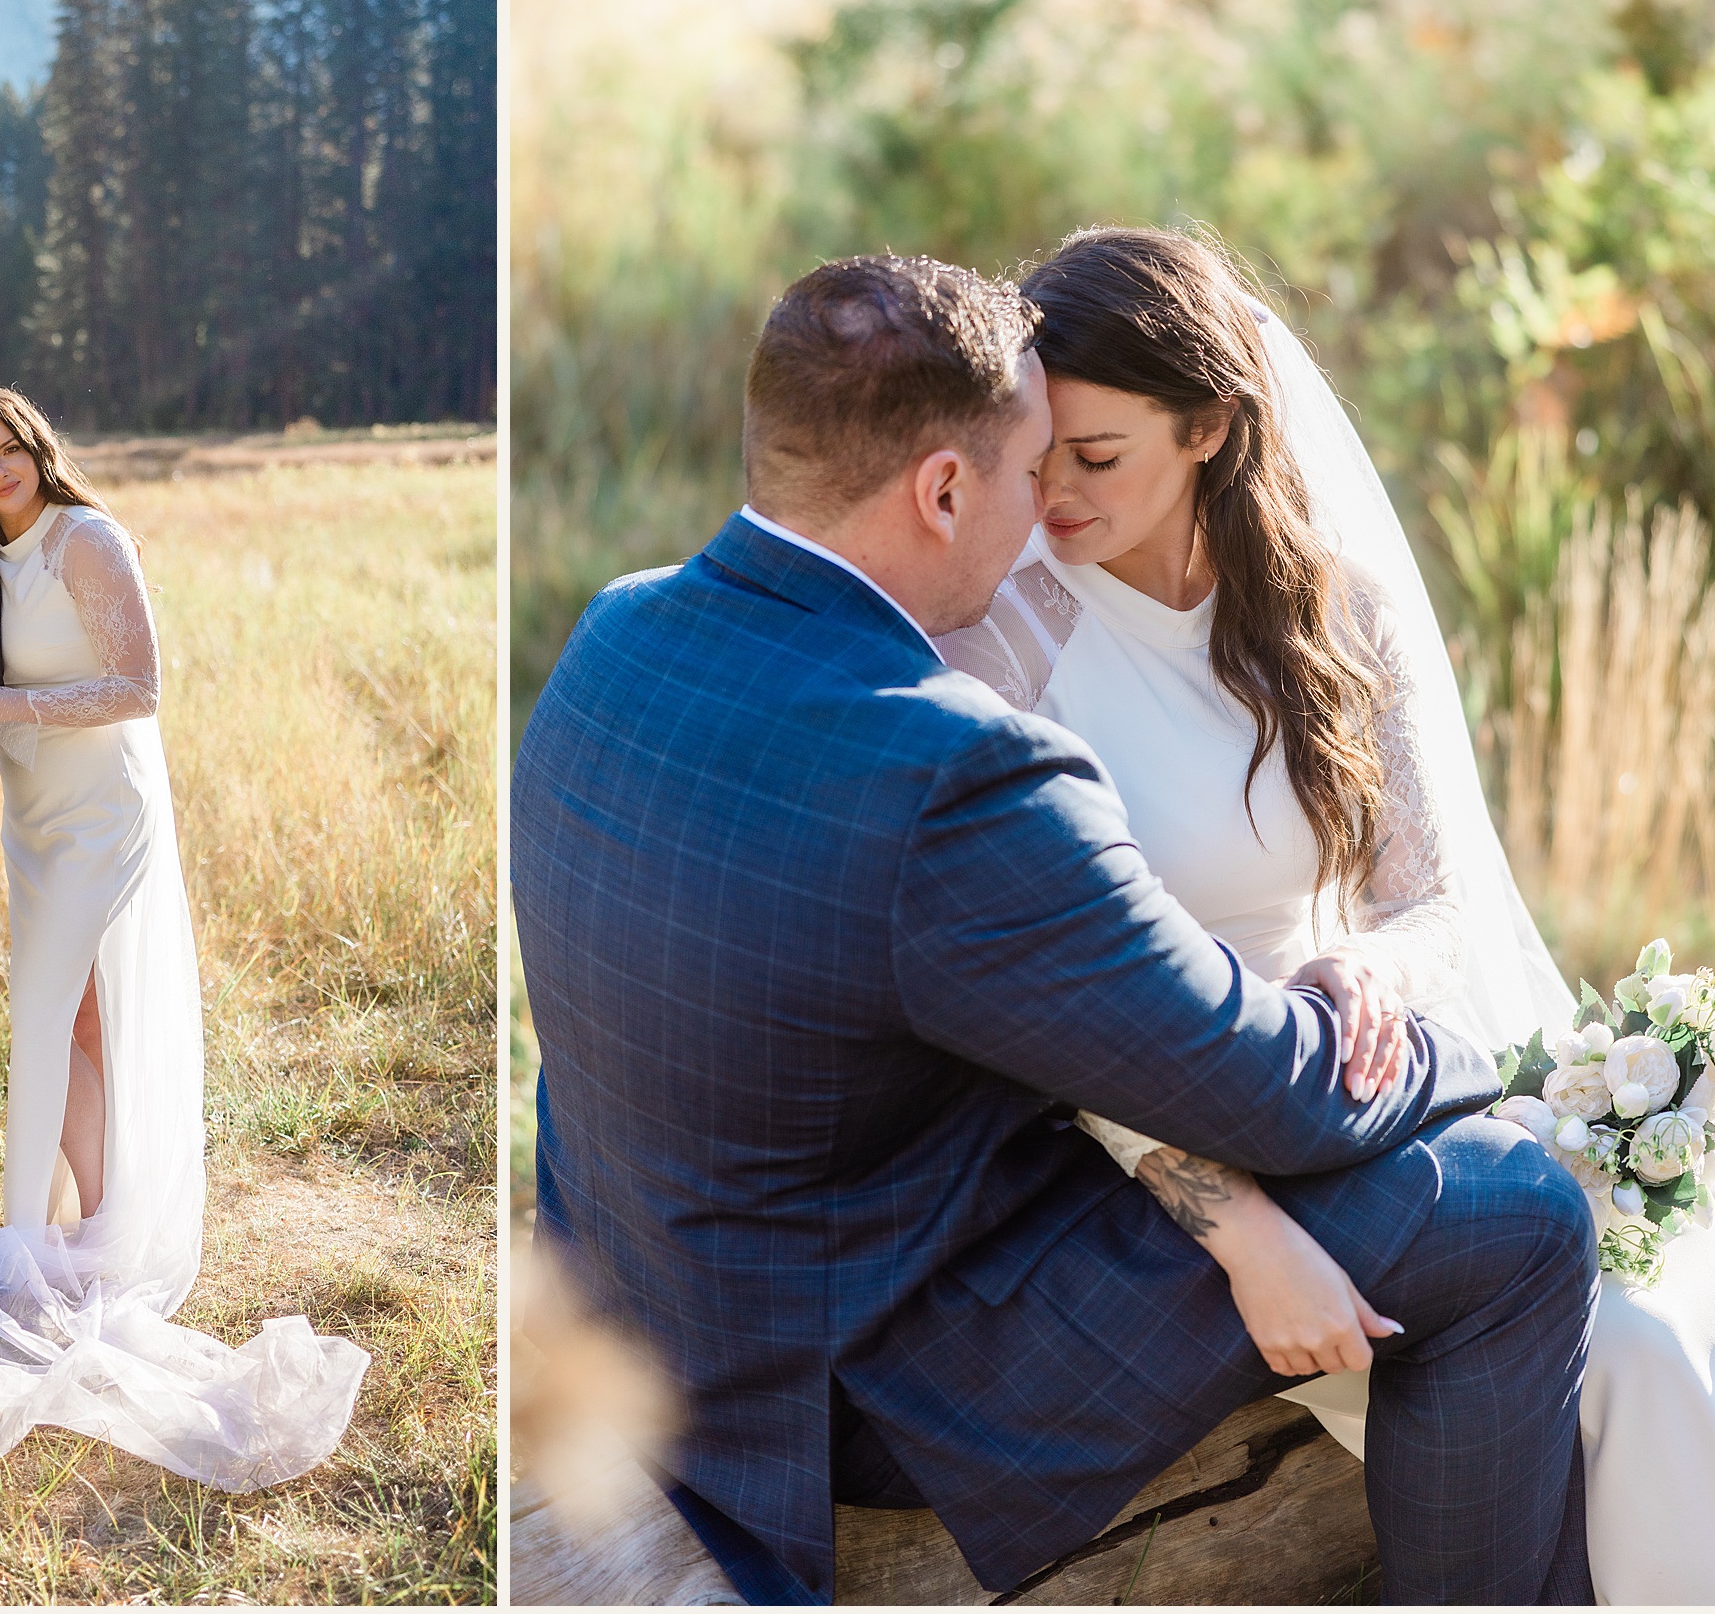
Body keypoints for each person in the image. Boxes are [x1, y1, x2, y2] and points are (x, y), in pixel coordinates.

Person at [512, 252, 1599, 1605]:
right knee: (1520, 1212)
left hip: (671, 1279)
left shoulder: (620, 631)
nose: (1049, 509)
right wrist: (1480, 1059)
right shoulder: (951, 764)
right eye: (1034, 468)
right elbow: (1268, 1091)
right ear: (945, 487)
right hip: (869, 1367)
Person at [937, 224, 1715, 1606]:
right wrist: (1240, 1229)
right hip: (1176, 1145)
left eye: (1099, 456)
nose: (1053, 494)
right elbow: (1044, 1002)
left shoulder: (1335, 607)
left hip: (1390, 1083)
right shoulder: (1008, 645)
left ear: (1208, 426)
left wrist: (1365, 959)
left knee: (1678, 1328)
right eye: (1037, 452)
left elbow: (1432, 899)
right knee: (1628, 1360)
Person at [0, 386, 369, 1489]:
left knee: (53, 1012)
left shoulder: (86, 537)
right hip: (39, 816)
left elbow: (139, 684)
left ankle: (82, 1235)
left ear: (36, 446)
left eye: (6, 450)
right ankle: (94, 1219)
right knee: (80, 1021)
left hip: (105, 811)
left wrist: (1, 710)